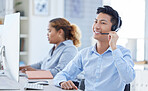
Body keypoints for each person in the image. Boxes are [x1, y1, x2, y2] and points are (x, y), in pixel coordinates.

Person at [53, 6, 135, 91]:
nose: (96, 26)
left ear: (113, 29)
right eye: (95, 21)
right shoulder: (84, 54)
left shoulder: (123, 53)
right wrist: (62, 82)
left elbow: (128, 78)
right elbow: (62, 75)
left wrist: (114, 48)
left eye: (103, 23)